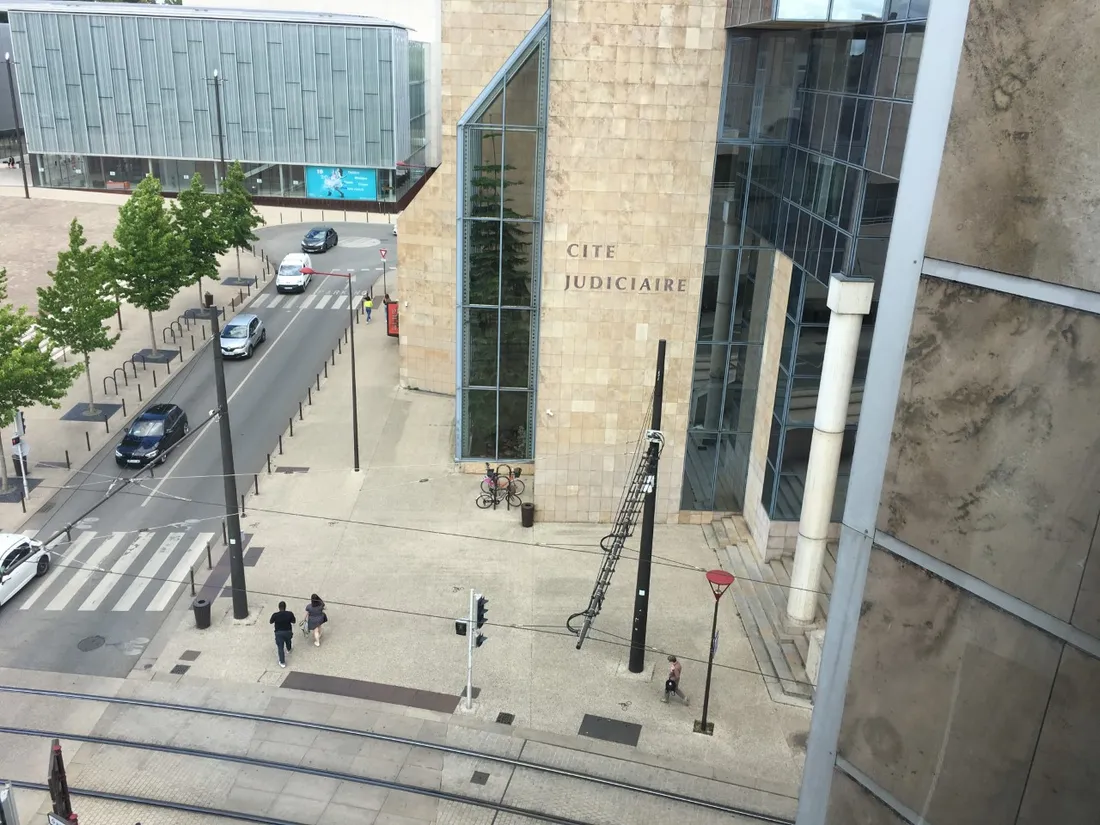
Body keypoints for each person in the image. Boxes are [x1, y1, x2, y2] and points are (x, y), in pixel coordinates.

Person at [269, 601, 296, 668]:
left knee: (280, 647)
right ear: (285, 607)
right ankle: (289, 649)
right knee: (288, 640)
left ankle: (282, 662)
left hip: (279, 633)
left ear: (279, 607)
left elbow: (271, 622)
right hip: (288, 631)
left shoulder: (275, 615)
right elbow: (294, 621)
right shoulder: (290, 614)